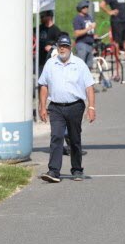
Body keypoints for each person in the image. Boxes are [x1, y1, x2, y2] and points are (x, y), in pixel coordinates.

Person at [37, 34, 96, 182]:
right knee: (56, 136)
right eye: (60, 46)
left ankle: (77, 169)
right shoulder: (50, 64)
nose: (62, 49)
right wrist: (42, 106)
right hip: (56, 107)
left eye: (65, 46)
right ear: (57, 47)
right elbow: (43, 85)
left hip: (75, 106)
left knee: (74, 138)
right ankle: (53, 171)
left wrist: (91, 107)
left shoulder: (79, 64)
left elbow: (89, 86)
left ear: (70, 48)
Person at [72, 0, 97, 67]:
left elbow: (90, 31)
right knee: (81, 65)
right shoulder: (77, 19)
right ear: (80, 8)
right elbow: (77, 33)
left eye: (87, 7)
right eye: (84, 7)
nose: (86, 8)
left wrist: (94, 35)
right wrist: (89, 28)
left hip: (90, 44)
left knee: (89, 65)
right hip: (82, 44)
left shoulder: (89, 17)